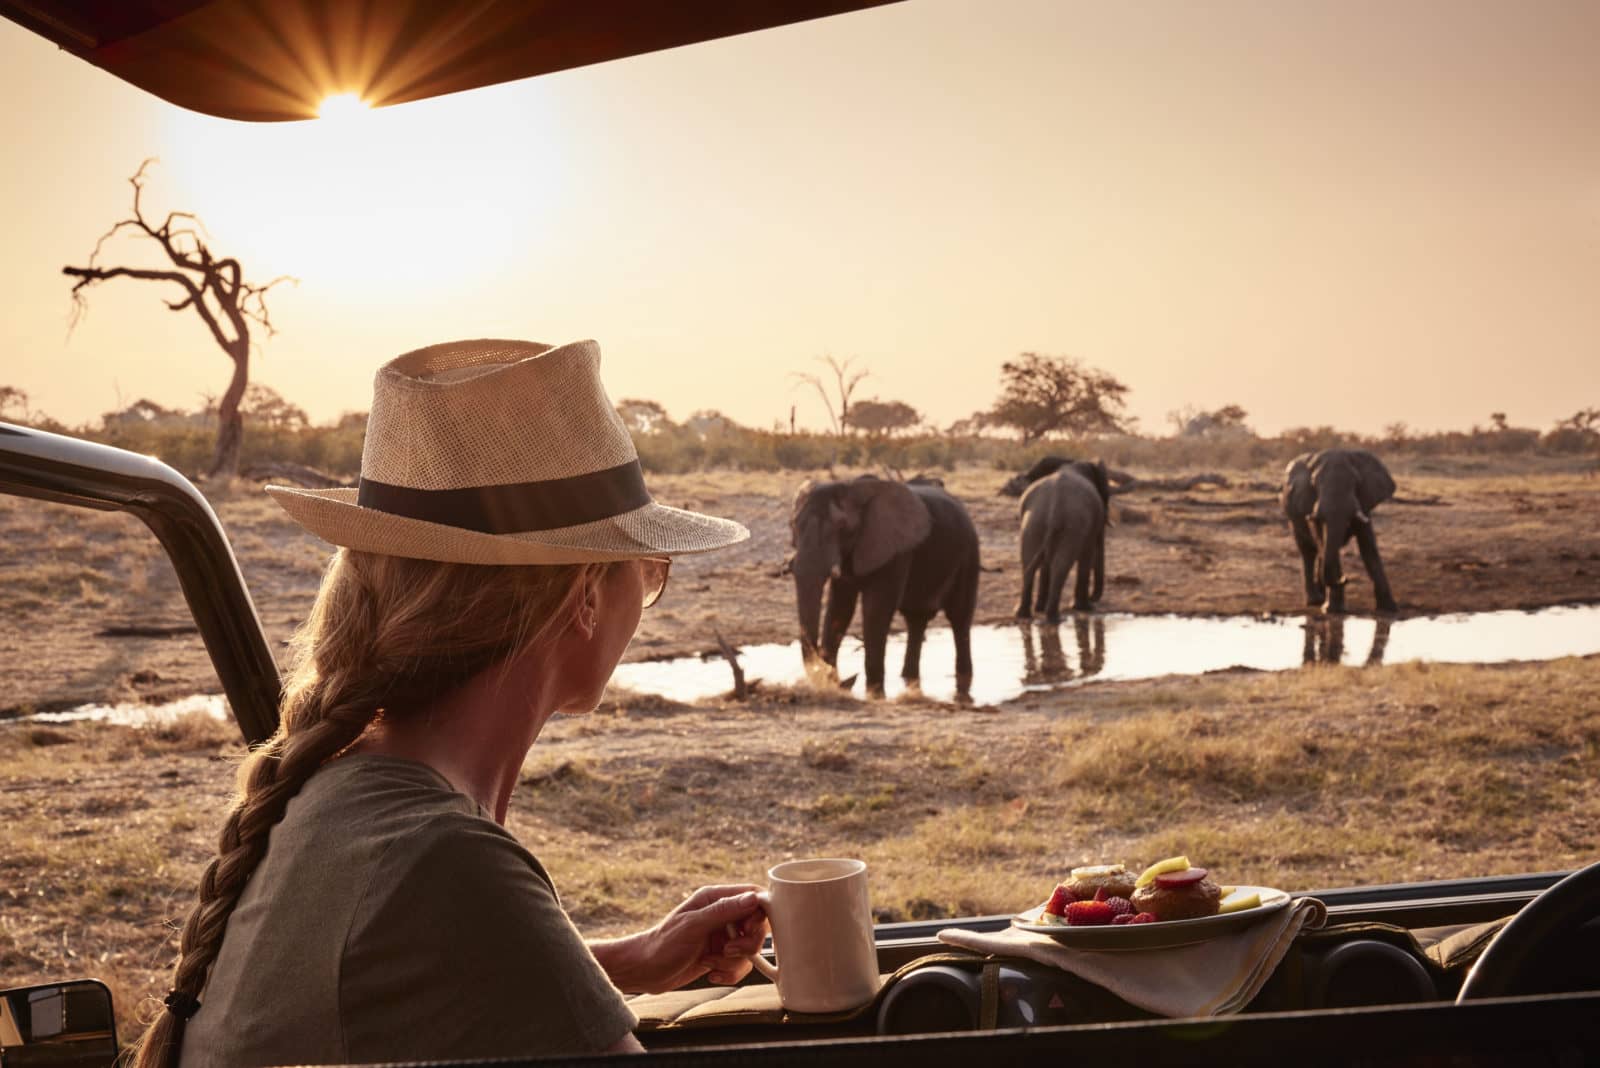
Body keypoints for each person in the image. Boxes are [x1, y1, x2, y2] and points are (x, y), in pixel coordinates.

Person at [131, 339, 763, 1066]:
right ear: (585, 593)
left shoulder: (344, 795)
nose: (647, 597)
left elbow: (401, 990)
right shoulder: (444, 858)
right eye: (648, 570)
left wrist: (627, 962)